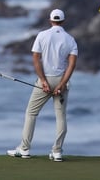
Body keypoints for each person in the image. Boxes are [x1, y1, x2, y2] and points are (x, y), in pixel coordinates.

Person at [7, 8, 78, 162]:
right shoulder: (70, 39)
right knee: (61, 117)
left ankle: (24, 149)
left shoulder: (42, 35)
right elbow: (71, 65)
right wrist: (62, 84)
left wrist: (43, 81)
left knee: (31, 113)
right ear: (63, 21)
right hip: (61, 81)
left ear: (50, 20)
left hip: (45, 81)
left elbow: (36, 59)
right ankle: (57, 151)